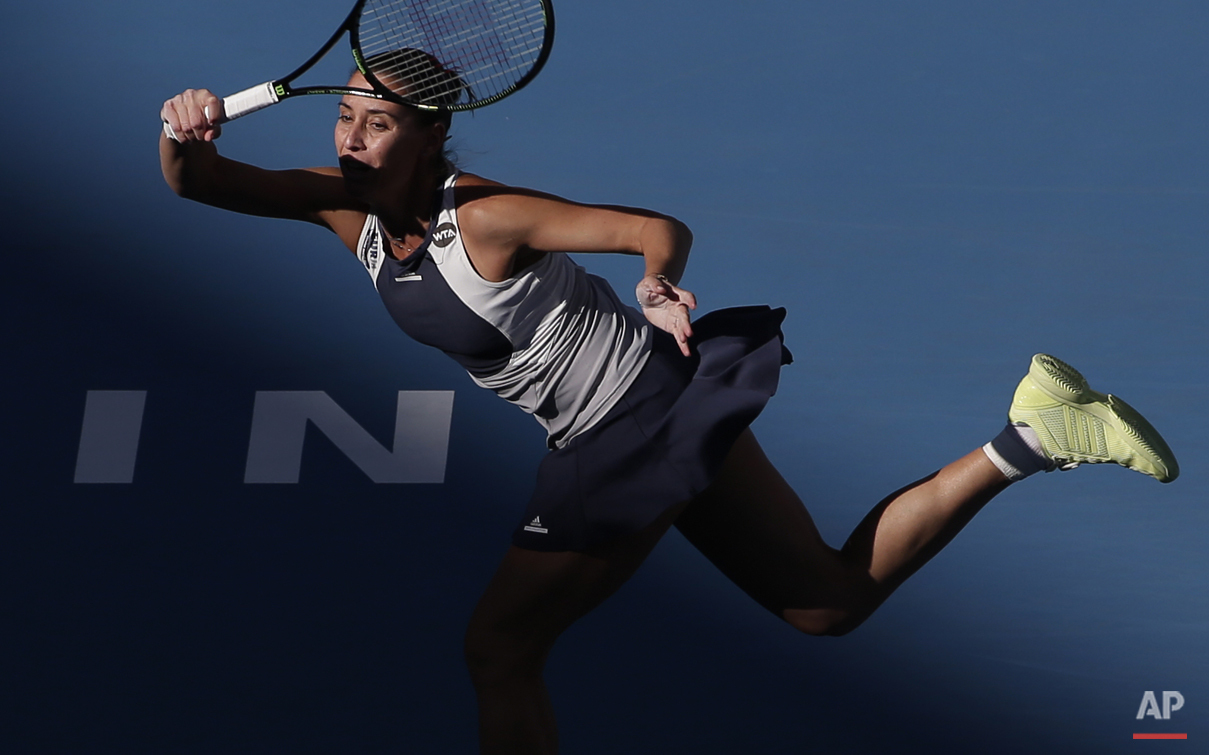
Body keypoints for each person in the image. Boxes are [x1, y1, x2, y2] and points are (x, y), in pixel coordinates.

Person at [159, 63, 1178, 754]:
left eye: (379, 123)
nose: (352, 137)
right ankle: (1036, 430)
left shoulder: (488, 215)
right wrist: (183, 131)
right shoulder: (345, 209)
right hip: (652, 406)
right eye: (347, 116)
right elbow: (199, 184)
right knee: (826, 601)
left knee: (499, 648)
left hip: (626, 426)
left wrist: (655, 279)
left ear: (430, 137)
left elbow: (654, 226)